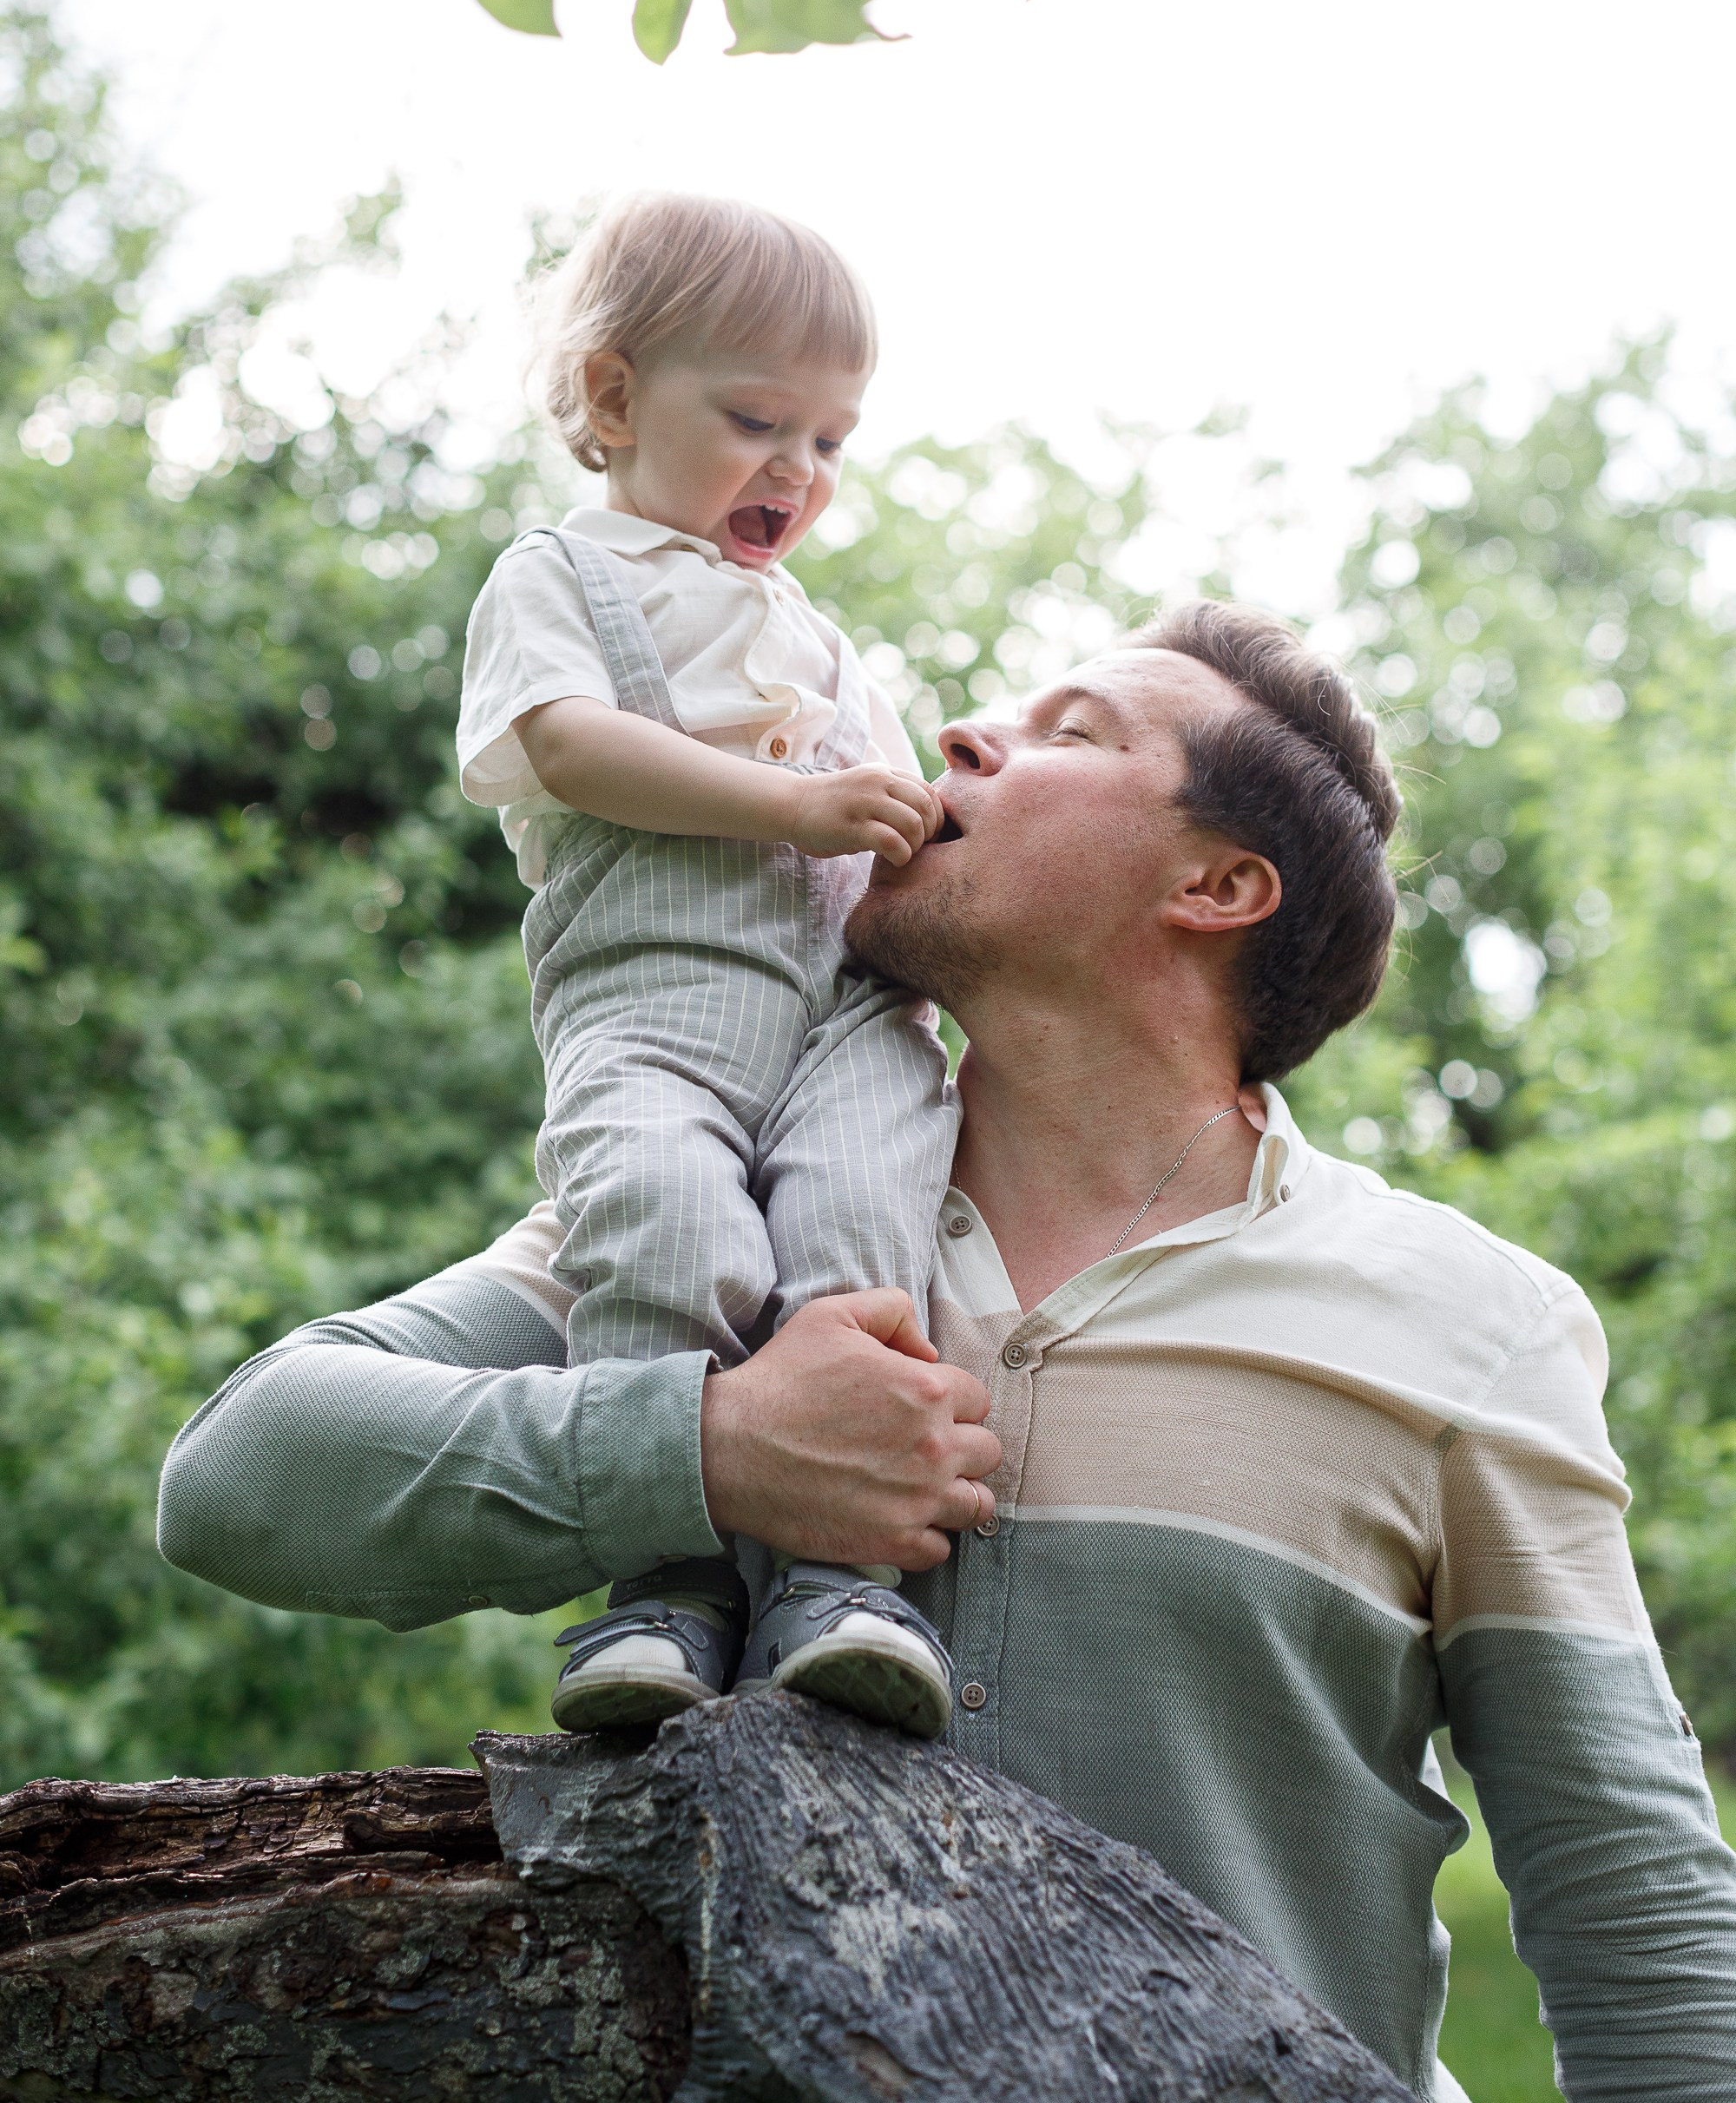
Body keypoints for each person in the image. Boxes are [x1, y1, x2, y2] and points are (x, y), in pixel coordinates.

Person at [159, 601, 1736, 2101]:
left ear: (1219, 887)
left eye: (1072, 730)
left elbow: (1637, 1910)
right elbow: (242, 1475)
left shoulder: (1473, 1324)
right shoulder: (715, 1216)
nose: (966, 733)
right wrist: (707, 1446)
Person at [452, 189, 957, 1738]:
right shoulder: (564, 578)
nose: (798, 473)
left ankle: (841, 1581)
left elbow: (890, 831)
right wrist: (798, 801)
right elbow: (561, 744)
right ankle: (667, 1589)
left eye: (833, 440)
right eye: (758, 420)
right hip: (658, 1009)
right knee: (657, 1224)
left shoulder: (816, 634)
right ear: (610, 398)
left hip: (840, 1017)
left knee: (864, 1223)